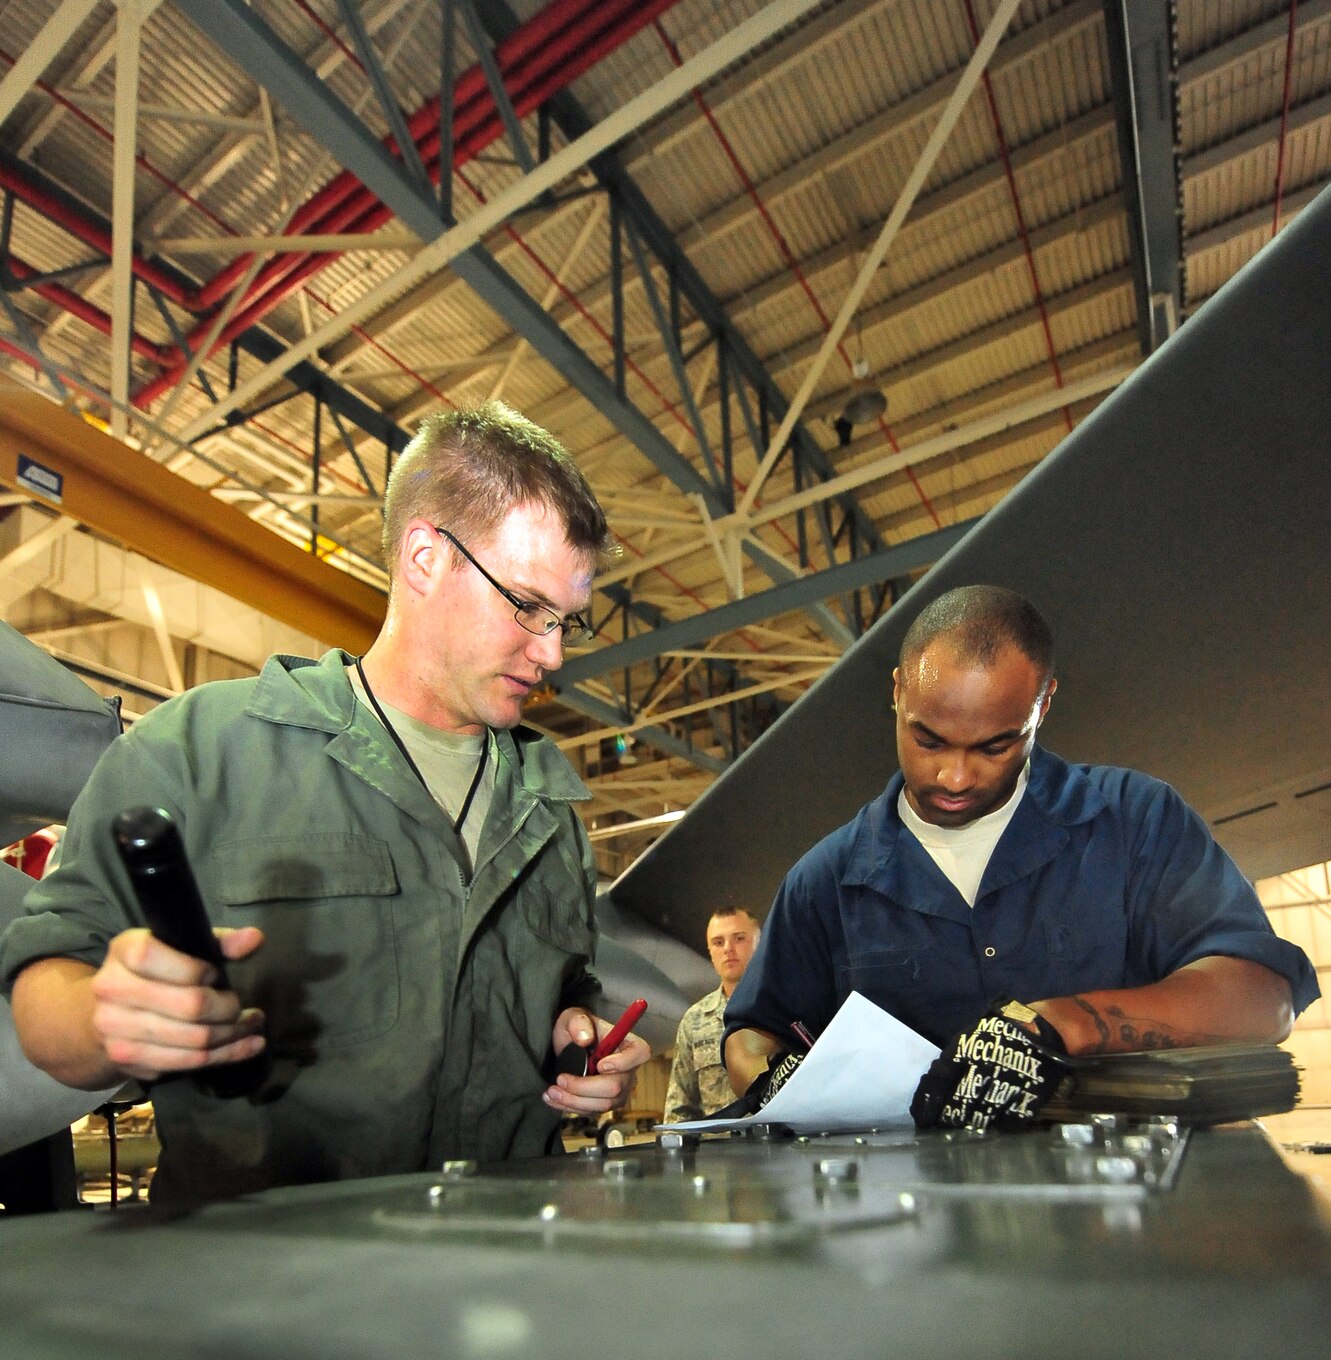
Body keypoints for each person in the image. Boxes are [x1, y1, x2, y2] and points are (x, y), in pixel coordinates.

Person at [2, 402, 650, 1200]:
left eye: (564, 622)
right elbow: (43, 986)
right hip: (263, 1281)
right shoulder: (202, 750)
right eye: (526, 606)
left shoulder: (549, 809)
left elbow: (565, 998)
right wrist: (106, 1016)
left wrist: (579, 1047)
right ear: (424, 558)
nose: (550, 652)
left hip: (507, 1263)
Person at [724, 585, 1318, 1131]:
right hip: (918, 1223)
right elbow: (752, 1035)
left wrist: (1069, 1025)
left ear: (1043, 703)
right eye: (927, 739)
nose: (954, 776)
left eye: (995, 745)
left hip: (1134, 1208)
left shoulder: (1134, 821)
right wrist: (779, 1080)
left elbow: (1264, 999)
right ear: (899, 689)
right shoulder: (825, 883)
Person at [662, 905, 761, 1121]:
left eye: (739, 939)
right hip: (718, 1151)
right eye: (718, 942)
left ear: (759, 944)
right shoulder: (695, 1020)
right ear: (710, 952)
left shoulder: (784, 1008)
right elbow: (680, 1107)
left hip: (776, 1148)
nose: (728, 949)